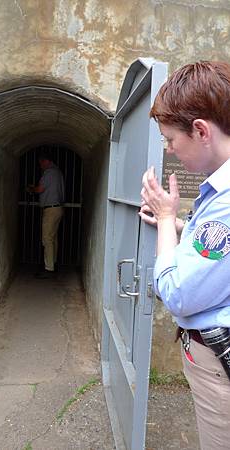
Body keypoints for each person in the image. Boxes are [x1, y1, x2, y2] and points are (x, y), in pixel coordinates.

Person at [139, 61, 230, 450]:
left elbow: (178, 292)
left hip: (218, 366)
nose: (169, 150)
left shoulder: (226, 204)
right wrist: (179, 226)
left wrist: (163, 219)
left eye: (170, 139)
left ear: (200, 131)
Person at [27, 152, 65, 278]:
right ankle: (52, 262)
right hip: (58, 208)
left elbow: (40, 189)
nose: (40, 166)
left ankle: (49, 269)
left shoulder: (49, 172)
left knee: (47, 239)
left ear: (46, 161)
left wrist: (31, 189)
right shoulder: (58, 172)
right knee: (53, 238)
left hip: (51, 209)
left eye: (41, 163)